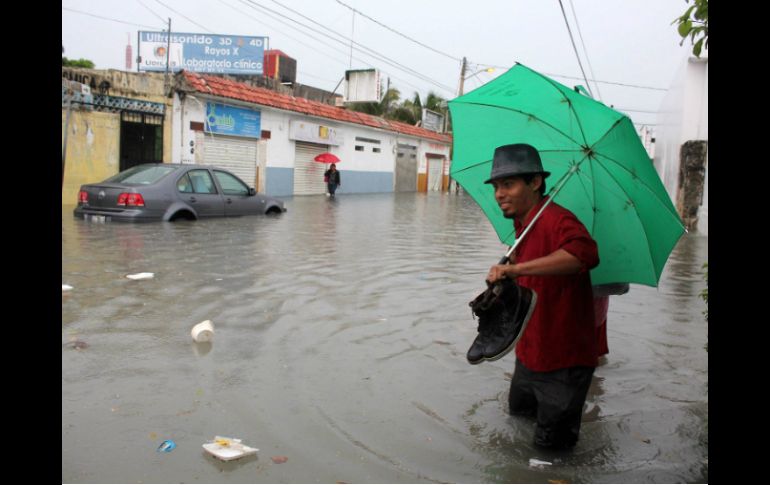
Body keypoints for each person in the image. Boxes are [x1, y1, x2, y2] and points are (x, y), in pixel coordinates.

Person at [483, 143, 600, 450]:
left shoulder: (558, 220)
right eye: (496, 186)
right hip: (529, 354)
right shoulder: (522, 226)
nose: (499, 194)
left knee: (552, 454)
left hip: (563, 363)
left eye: (508, 184)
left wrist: (516, 269)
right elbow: (531, 286)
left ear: (535, 183)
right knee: (518, 425)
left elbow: (584, 253)